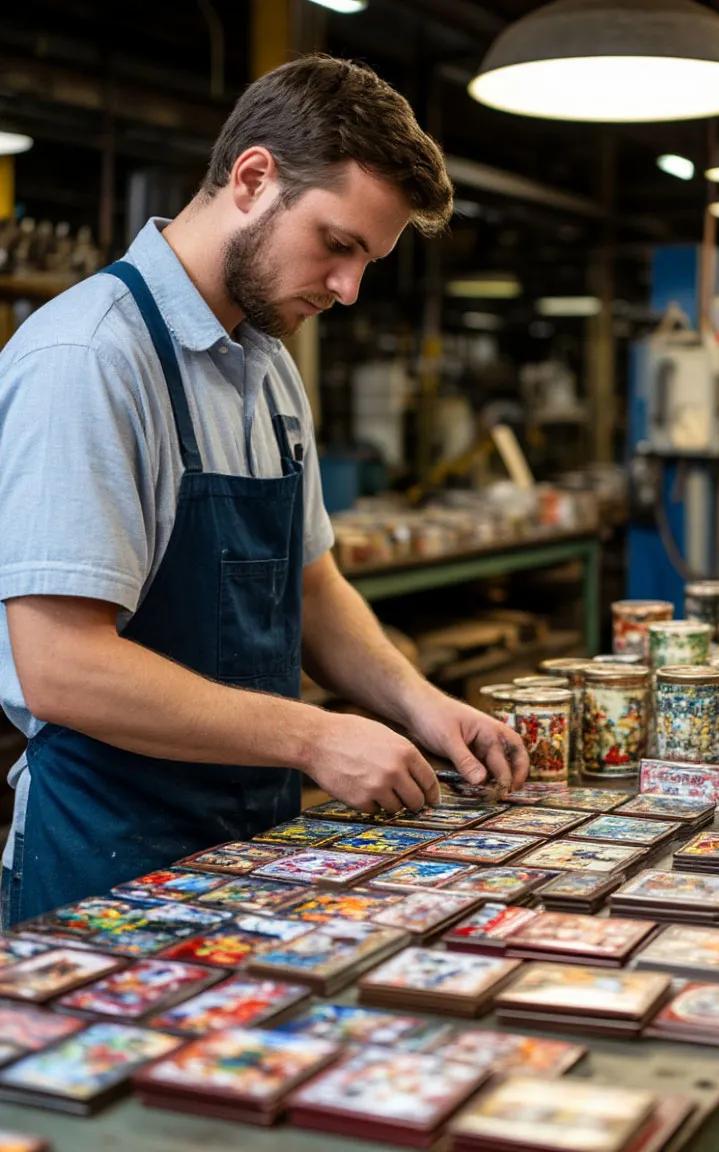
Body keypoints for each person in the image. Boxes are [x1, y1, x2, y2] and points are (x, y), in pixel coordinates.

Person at [0, 54, 528, 925]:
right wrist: (317, 736)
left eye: (370, 261)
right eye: (339, 244)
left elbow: (311, 586)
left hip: (255, 847)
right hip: (107, 862)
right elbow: (62, 668)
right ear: (253, 178)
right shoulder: (90, 359)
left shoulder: (267, 365)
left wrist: (419, 705)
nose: (350, 289)